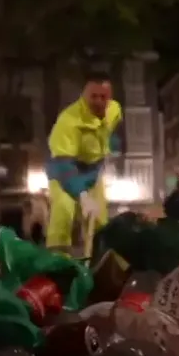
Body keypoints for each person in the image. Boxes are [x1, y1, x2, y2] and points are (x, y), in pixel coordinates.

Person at [44, 71, 122, 257]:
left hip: (93, 172)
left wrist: (112, 146)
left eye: (103, 97)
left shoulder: (114, 110)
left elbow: (111, 130)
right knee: (63, 214)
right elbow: (64, 164)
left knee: (100, 223)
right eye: (93, 96)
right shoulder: (68, 121)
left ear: (109, 97)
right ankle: (57, 264)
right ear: (84, 96)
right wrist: (82, 195)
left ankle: (98, 266)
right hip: (64, 171)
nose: (98, 101)